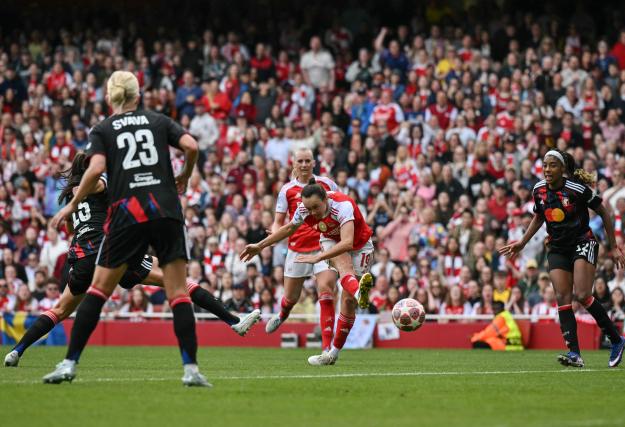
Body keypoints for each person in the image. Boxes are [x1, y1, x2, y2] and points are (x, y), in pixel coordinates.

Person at [5, 152, 260, 368]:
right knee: (178, 283)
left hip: (83, 257)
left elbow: (82, 223)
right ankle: (234, 321)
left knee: (59, 310)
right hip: (111, 253)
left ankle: (17, 351)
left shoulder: (73, 194)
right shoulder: (96, 183)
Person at [44, 70, 210, 386]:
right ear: (138, 95)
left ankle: (68, 364)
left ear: (110, 97)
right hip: (165, 209)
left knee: (98, 289)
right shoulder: (159, 121)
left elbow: (94, 170)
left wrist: (70, 204)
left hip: (127, 212)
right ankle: (191, 370)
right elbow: (190, 146)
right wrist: (186, 175)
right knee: (177, 292)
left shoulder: (103, 128)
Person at [500, 149, 625, 368]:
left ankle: (616, 340)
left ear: (563, 169)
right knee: (562, 296)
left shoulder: (577, 189)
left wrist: (614, 247)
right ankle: (574, 354)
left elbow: (605, 213)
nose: (547, 170)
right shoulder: (538, 190)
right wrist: (522, 242)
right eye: (545, 165)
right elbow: (540, 216)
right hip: (557, 246)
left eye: (552, 165)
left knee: (583, 295)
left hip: (582, 242)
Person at [240, 180, 374, 365]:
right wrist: (260, 245)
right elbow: (289, 228)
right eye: (308, 208)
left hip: (360, 245)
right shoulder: (304, 209)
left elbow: (348, 242)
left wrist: (319, 258)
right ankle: (359, 291)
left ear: (325, 198)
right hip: (329, 240)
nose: (312, 213)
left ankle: (333, 353)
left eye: (316, 207)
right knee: (345, 271)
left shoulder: (342, 205)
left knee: (348, 301)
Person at [268, 148, 339, 354]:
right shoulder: (287, 191)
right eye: (301, 161)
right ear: (294, 164)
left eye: (308, 160)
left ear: (314, 163)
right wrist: (274, 236)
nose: (305, 164)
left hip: (324, 246)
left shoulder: (327, 184)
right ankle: (282, 314)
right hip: (297, 249)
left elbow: (340, 206)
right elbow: (278, 223)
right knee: (290, 298)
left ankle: (327, 348)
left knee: (326, 289)